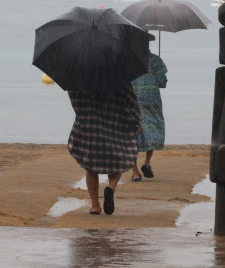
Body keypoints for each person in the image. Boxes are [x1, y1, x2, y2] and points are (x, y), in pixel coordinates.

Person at [67, 83, 141, 215]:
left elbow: (74, 99)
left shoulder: (79, 78)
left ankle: (95, 206)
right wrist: (137, 121)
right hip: (115, 123)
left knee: (90, 167)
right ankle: (110, 188)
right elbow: (131, 100)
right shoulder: (119, 77)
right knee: (118, 161)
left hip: (88, 124)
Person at [130, 33, 168, 182]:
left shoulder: (128, 61)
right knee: (153, 126)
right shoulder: (156, 60)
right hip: (152, 100)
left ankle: (135, 173)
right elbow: (162, 82)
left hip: (133, 98)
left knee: (132, 133)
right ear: (148, 45)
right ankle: (147, 162)